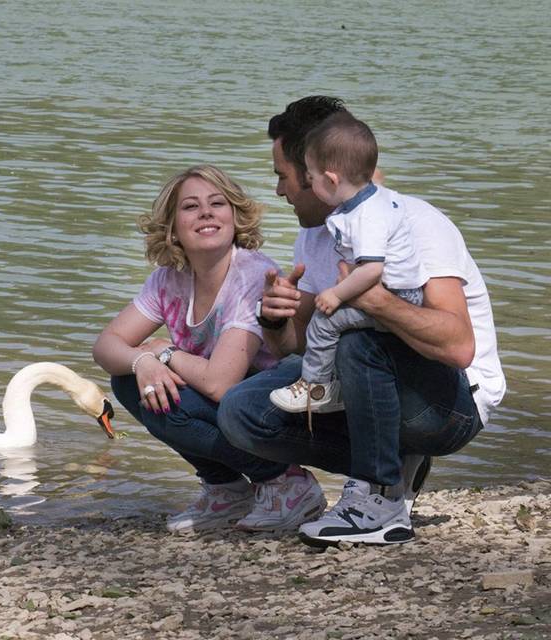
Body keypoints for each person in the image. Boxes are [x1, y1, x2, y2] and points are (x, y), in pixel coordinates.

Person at [217, 96, 506, 546]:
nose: (279, 191)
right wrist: (273, 317)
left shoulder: (413, 222)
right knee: (242, 412)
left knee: (358, 342)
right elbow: (298, 344)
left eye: (284, 176)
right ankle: (395, 463)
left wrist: (377, 303)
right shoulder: (318, 234)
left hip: (450, 406)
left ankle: (379, 501)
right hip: (370, 383)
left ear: (319, 177)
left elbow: (458, 346)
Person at [93, 164, 327, 535]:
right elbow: (106, 346)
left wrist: (164, 352)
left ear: (235, 216)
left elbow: (221, 383)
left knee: (170, 392)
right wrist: (142, 360)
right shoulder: (168, 279)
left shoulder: (251, 275)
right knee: (129, 382)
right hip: (226, 400)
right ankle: (227, 490)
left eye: (217, 203)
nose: (205, 212)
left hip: (270, 409)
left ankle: (287, 484)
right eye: (190, 206)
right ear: (172, 228)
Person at [269, 112, 427, 415]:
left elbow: (371, 269)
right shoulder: (370, 204)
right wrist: (275, 313)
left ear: (330, 179)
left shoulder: (366, 216)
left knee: (325, 324)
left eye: (311, 179)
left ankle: (317, 389)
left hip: (399, 300)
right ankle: (332, 387)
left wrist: (336, 295)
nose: (278, 190)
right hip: (399, 303)